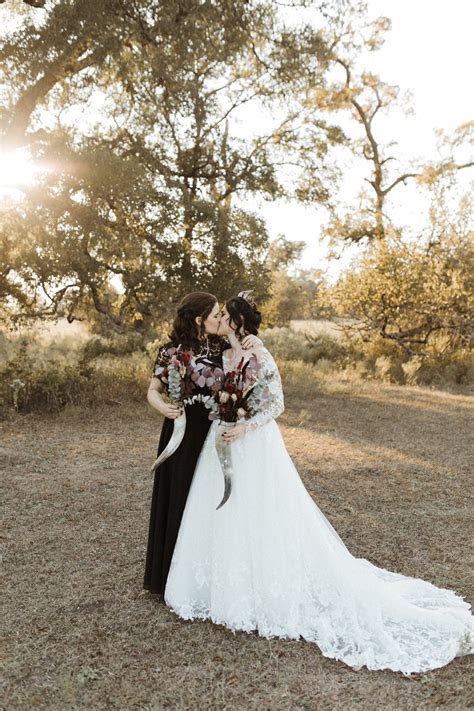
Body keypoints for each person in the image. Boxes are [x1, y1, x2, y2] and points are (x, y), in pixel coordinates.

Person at [162, 292, 474, 676]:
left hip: (254, 444)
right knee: (220, 508)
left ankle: (266, 585)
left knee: (260, 511)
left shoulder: (259, 353)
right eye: (219, 315)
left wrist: (244, 423)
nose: (220, 318)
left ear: (238, 324)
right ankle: (218, 588)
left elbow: (276, 405)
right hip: (220, 441)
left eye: (225, 315)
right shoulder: (219, 355)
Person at [143, 291, 261, 598]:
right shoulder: (170, 350)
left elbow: (247, 369)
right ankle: (167, 575)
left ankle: (205, 574)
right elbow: (152, 391)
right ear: (199, 319)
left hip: (213, 431)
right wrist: (162, 407)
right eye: (214, 314)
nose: (220, 318)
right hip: (182, 429)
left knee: (208, 500)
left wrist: (249, 342)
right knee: (179, 494)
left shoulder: (223, 344)